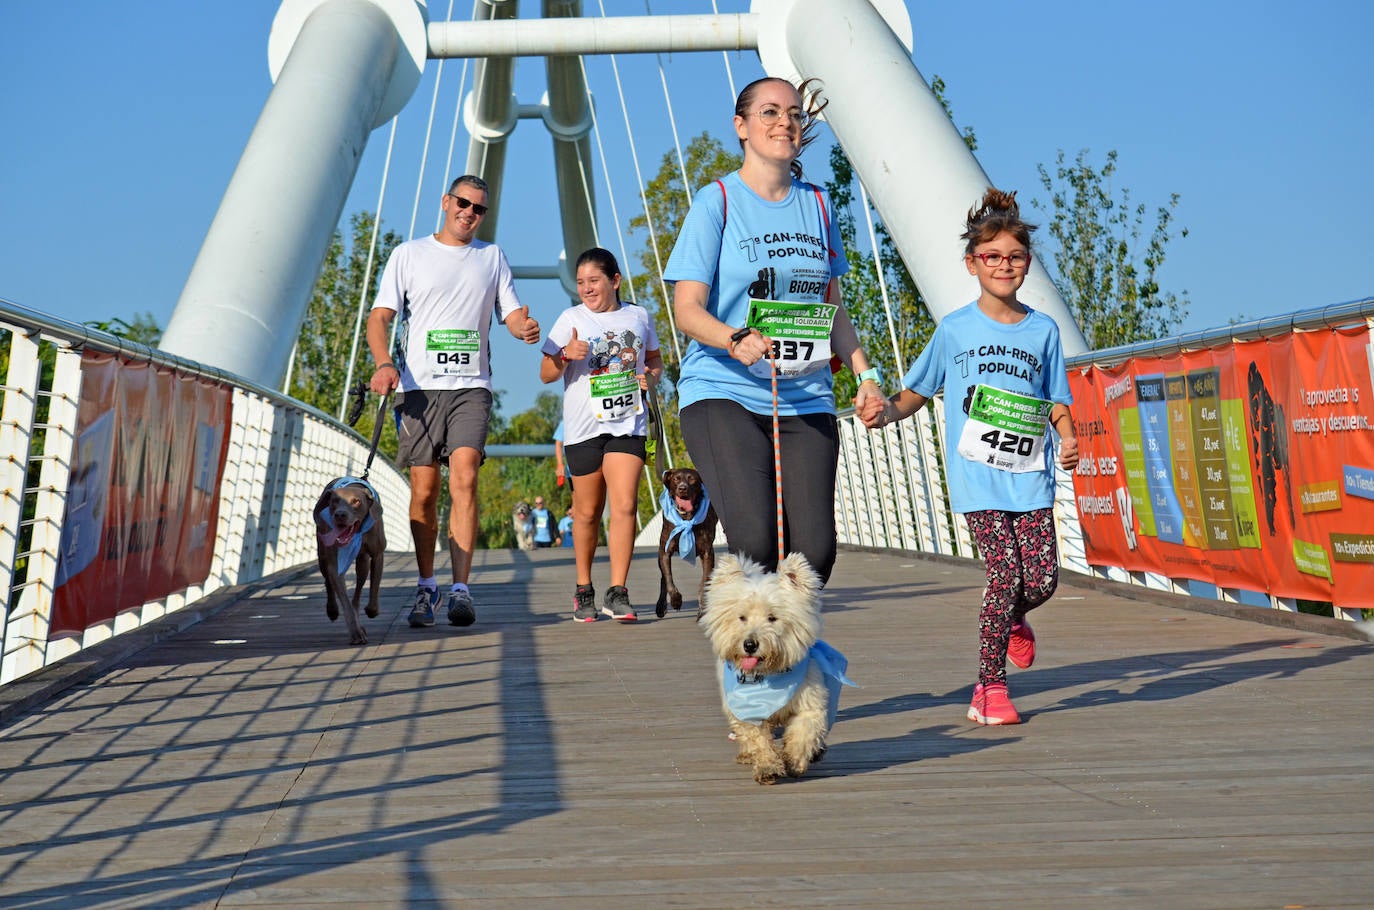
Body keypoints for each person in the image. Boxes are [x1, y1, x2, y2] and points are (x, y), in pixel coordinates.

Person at [857, 187, 1080, 726]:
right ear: (971, 263)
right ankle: (989, 688)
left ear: (1027, 264)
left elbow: (1055, 399)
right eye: (992, 257)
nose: (1005, 266)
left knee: (1042, 580)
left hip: (1028, 474)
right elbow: (919, 390)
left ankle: (1012, 620)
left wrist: (1068, 437)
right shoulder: (955, 329)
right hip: (977, 475)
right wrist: (886, 412)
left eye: (1015, 256)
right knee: (1004, 575)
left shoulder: (1043, 331)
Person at [662, 76, 884, 585]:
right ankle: (749, 660)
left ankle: (782, 658)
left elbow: (834, 309)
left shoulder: (820, 205)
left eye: (794, 113)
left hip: (804, 395)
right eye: (769, 112)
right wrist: (734, 338)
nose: (784, 121)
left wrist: (865, 376)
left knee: (814, 559)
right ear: (741, 126)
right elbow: (687, 310)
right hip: (724, 391)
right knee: (757, 542)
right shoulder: (715, 202)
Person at [367, 174, 541, 629]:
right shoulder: (408, 255)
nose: (469, 213)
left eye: (479, 208)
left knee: (464, 477)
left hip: (471, 387)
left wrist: (524, 327)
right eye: (463, 203)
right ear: (446, 202)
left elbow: (512, 312)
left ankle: (461, 590)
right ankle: (427, 586)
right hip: (418, 390)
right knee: (424, 491)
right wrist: (384, 363)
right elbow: (380, 317)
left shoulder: (492, 257)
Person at [541, 247, 663, 622]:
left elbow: (655, 360)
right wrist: (565, 354)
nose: (586, 289)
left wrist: (651, 377)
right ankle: (583, 589)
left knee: (625, 504)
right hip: (583, 429)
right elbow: (546, 372)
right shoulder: (570, 318)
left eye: (594, 281)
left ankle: (618, 591)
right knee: (588, 512)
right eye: (580, 282)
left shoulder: (639, 316)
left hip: (627, 422)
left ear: (614, 280)